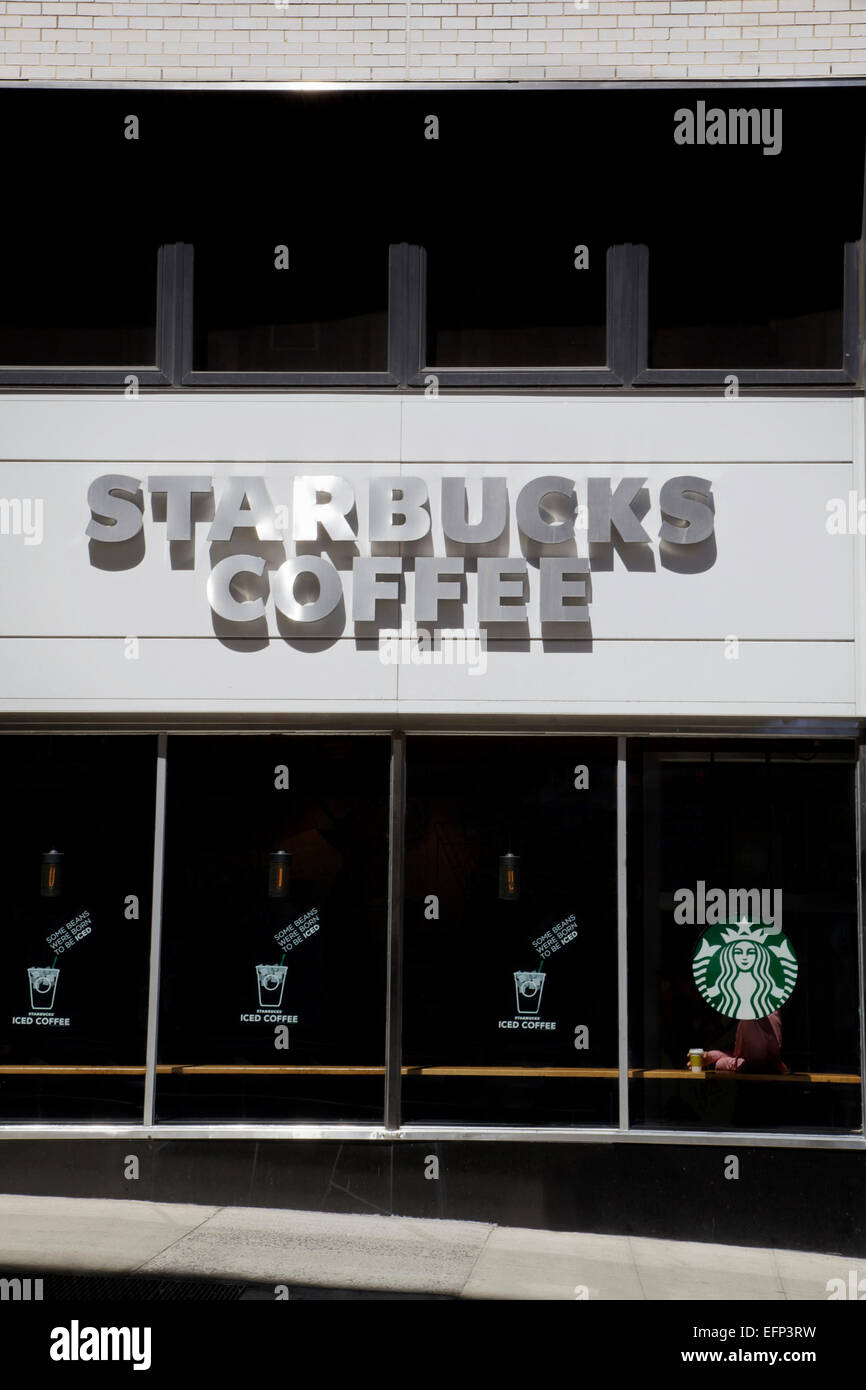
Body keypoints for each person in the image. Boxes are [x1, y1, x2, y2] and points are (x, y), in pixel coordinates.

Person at [695, 1010, 788, 1073]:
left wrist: (720, 1061)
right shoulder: (750, 1011)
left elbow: (756, 1066)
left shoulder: (756, 1013)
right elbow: (744, 1056)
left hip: (761, 1087)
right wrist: (713, 1056)